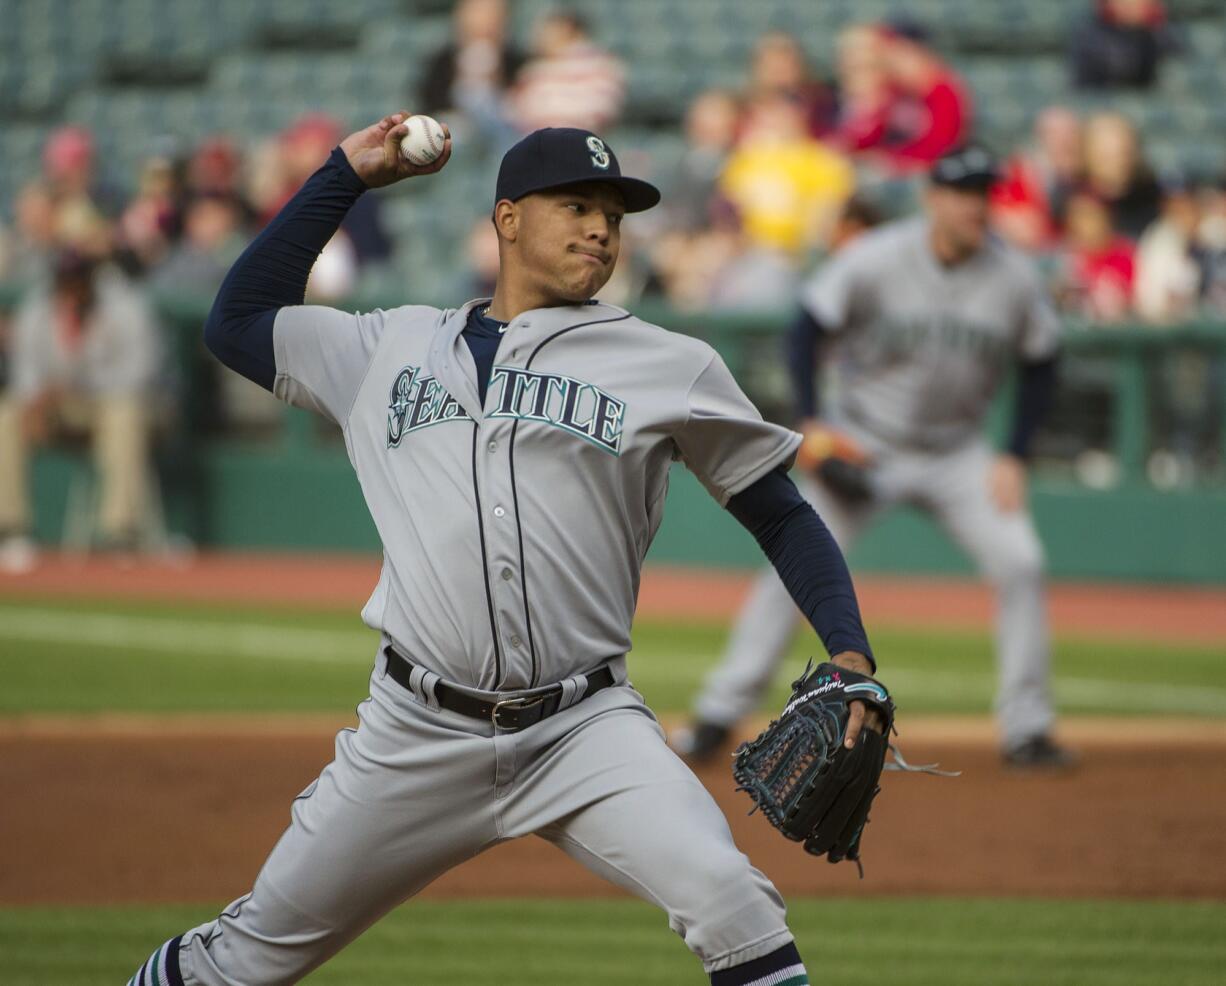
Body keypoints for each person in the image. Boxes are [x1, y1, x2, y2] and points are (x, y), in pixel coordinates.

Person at [125, 112, 887, 986]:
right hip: (414, 734)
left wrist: (848, 648)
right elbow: (237, 322)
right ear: (509, 217)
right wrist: (344, 175)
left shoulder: (665, 361)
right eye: (577, 204)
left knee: (734, 904)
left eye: (615, 211)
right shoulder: (386, 346)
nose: (601, 226)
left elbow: (783, 515)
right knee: (247, 958)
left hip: (585, 729)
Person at [673, 145, 1073, 771]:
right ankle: (717, 714)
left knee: (1021, 561)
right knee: (795, 565)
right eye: (964, 192)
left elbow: (1044, 360)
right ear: (932, 198)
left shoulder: (1014, 277)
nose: (977, 205)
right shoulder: (877, 258)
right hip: (868, 443)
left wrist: (1016, 453)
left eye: (984, 193)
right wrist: (813, 420)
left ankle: (1028, 729)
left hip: (957, 453)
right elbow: (806, 327)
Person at [0, 251, 161, 570]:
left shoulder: (125, 304)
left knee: (122, 413)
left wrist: (77, 385)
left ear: (91, 279)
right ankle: (12, 528)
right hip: (61, 408)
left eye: (77, 281)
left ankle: (120, 531)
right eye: (65, 282)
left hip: (121, 406)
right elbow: (25, 371)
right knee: (7, 414)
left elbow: (141, 373)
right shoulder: (40, 304)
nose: (71, 289)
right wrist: (36, 397)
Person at [507, 8, 625, 134]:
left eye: (549, 30)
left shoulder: (602, 66)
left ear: (568, 29)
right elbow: (513, 113)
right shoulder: (533, 70)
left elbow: (599, 111)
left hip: (580, 143)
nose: (539, 36)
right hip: (530, 141)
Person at [1070, 0, 1177, 91]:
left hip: (1146, 100)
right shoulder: (1090, 34)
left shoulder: (1155, 33)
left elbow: (1175, 59)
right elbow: (1121, 70)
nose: (1131, 4)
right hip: (1101, 102)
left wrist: (1153, 27)